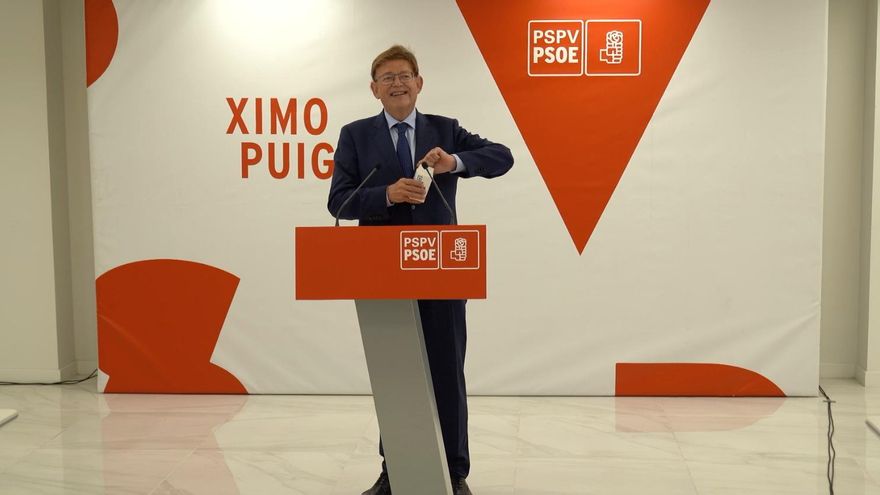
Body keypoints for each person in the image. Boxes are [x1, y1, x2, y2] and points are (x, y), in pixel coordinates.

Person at [328, 45, 513, 495]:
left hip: (440, 268)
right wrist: (387, 195)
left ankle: (455, 472)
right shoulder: (355, 135)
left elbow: (502, 156)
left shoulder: (444, 130)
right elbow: (339, 201)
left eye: (404, 75)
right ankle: (394, 471)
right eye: (387, 78)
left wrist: (455, 163)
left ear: (419, 83)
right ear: (374, 89)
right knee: (396, 374)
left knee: (446, 371)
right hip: (381, 271)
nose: (397, 84)